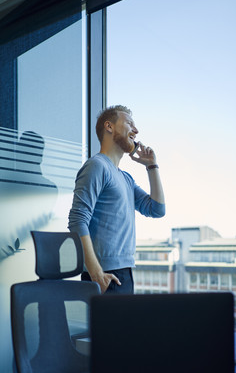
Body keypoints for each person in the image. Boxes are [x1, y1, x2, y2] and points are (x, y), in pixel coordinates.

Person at [68, 105, 165, 294]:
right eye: (129, 123)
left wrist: (152, 166)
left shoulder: (126, 178)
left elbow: (157, 209)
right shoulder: (96, 166)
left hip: (125, 273)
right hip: (104, 275)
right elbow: (77, 221)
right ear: (109, 126)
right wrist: (97, 274)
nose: (136, 131)